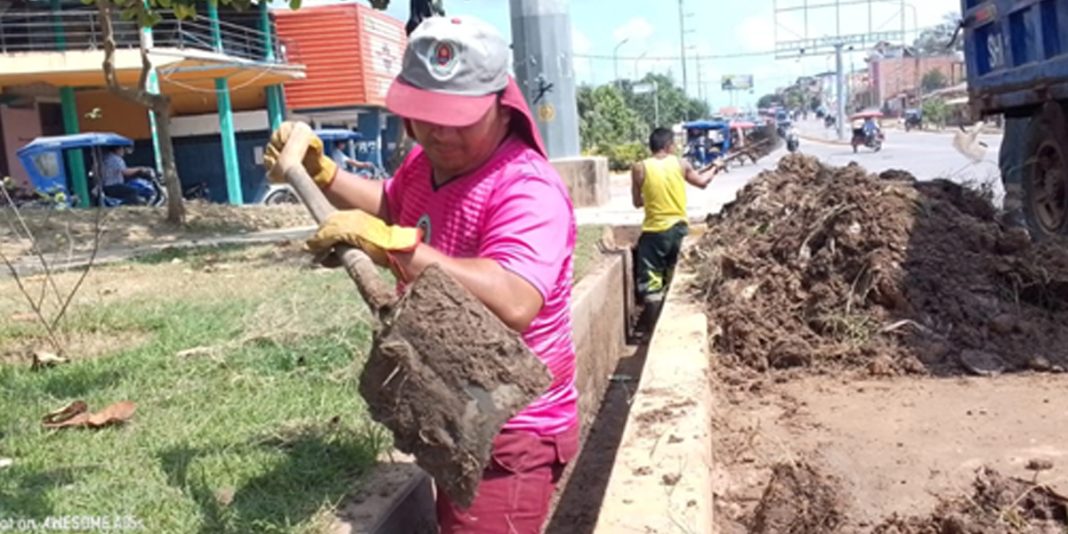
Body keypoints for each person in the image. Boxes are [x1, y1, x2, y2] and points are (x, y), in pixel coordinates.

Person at [263, 15, 578, 533]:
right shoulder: (425, 162)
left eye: (459, 119)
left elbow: (515, 299)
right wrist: (327, 175)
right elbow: (393, 205)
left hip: (510, 427)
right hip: (452, 408)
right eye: (426, 116)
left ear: (502, 107)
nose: (439, 133)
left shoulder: (525, 187)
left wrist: (397, 250)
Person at [631, 128, 723, 306]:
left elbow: (637, 202)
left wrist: (652, 197)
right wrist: (716, 167)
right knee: (676, 274)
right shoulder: (682, 164)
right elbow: (702, 182)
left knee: (652, 281)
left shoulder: (639, 168)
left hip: (653, 233)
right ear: (668, 146)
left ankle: (652, 312)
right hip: (678, 230)